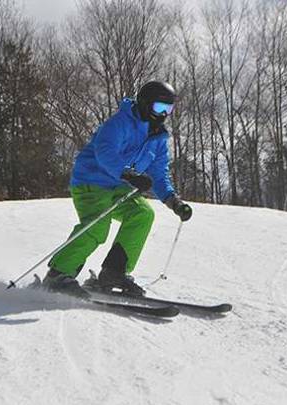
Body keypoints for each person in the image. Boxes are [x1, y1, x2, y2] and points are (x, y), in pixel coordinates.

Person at [43, 81, 192, 298]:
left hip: (120, 186)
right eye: (159, 108)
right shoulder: (120, 123)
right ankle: (58, 275)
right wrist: (128, 174)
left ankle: (113, 273)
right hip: (91, 181)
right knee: (97, 226)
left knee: (142, 214)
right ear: (145, 103)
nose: (163, 115)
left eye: (168, 110)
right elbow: (105, 152)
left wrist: (173, 200)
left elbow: (159, 173)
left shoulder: (158, 138)